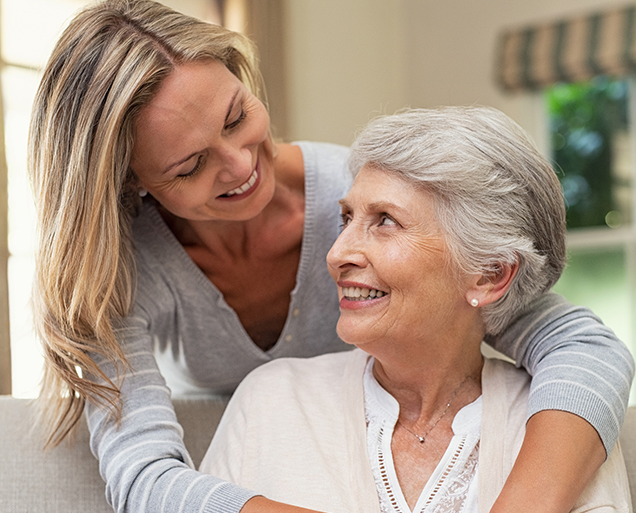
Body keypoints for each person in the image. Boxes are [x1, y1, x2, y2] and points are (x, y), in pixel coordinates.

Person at [27, 1, 633, 512]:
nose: (240, 166)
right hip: (244, 466)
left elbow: (579, 345)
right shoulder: (119, 271)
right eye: (189, 166)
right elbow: (144, 478)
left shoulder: (363, 191)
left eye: (237, 118)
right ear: (133, 183)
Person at [200, 106, 633, 513]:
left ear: (489, 274)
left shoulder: (564, 426)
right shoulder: (272, 400)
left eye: (386, 220)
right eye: (346, 219)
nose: (336, 254)